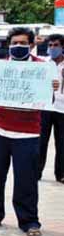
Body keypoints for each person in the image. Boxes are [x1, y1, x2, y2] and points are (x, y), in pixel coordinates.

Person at [0, 26, 56, 236]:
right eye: (14, 43)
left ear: (31, 45)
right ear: (8, 46)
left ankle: (29, 221)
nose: (18, 47)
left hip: (27, 134)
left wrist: (52, 87)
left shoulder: (42, 69)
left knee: (26, 180)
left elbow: (49, 101)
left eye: (22, 43)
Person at [39, 33, 64, 183]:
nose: (52, 48)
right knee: (41, 141)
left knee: (61, 143)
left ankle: (60, 173)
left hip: (62, 109)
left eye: (56, 45)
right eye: (50, 45)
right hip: (46, 107)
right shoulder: (44, 64)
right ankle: (37, 171)